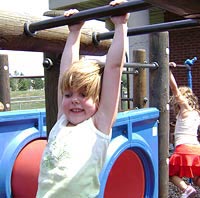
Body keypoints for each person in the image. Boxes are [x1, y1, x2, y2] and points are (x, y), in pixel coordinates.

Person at [36, 1, 129, 197]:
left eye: (84, 95)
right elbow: (65, 71)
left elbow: (114, 69)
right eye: (68, 95)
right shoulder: (62, 120)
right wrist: (74, 32)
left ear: (98, 100)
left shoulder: (98, 125)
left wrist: (120, 25)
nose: (74, 100)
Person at [169, 62, 200, 198]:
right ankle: (191, 187)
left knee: (170, 174)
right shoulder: (196, 113)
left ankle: (186, 189)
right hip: (197, 150)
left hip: (184, 149)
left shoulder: (185, 108)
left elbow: (175, 90)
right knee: (197, 177)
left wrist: (167, 70)